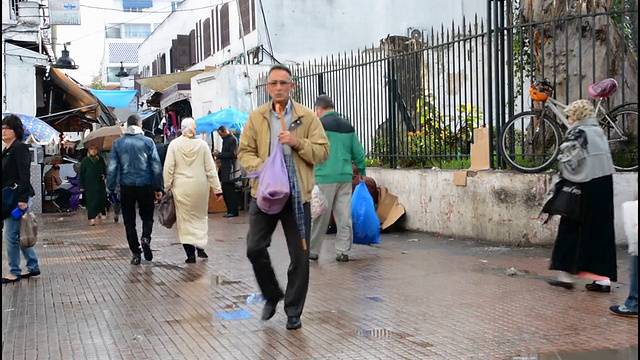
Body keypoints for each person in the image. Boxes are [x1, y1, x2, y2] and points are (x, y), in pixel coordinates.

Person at [238, 64, 329, 330]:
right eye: (274, 83)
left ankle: (293, 311)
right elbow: (245, 152)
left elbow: (323, 151)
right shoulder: (256, 117)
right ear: (267, 87)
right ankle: (272, 294)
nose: (278, 87)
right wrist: (262, 169)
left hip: (297, 196)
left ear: (292, 86)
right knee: (254, 248)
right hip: (266, 194)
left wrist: (297, 142)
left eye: (283, 83)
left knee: (300, 256)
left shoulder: (307, 117)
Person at [547, 99, 617, 290]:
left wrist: (559, 182)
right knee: (600, 232)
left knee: (570, 229)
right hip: (603, 183)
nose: (568, 120)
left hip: (582, 185)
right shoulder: (598, 131)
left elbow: (570, 161)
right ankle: (603, 280)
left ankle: (566, 277)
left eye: (569, 116)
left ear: (576, 116)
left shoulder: (578, 132)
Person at [309, 95, 366, 262]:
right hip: (345, 177)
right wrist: (362, 171)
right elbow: (358, 152)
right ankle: (342, 252)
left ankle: (313, 251)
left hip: (324, 176)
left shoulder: (318, 125)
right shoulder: (348, 126)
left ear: (319, 109)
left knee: (320, 214)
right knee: (343, 215)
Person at [164, 118, 223, 263]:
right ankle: (200, 246)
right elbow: (210, 169)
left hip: (181, 188)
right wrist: (217, 189)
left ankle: (190, 254)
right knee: (200, 217)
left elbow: (168, 168)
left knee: (185, 220)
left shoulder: (174, 145)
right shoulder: (202, 145)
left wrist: (167, 186)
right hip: (200, 187)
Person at [107, 114, 163, 265]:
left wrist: (110, 188)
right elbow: (156, 166)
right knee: (147, 217)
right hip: (145, 185)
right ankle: (146, 238)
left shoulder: (118, 143)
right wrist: (158, 187)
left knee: (129, 222)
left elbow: (112, 167)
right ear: (140, 124)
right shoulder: (148, 142)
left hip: (126, 186)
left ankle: (136, 253)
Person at [2, 114, 40, 284]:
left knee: (10, 235)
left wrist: (23, 199)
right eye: (2, 128)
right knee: (18, 233)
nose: (3, 131)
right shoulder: (7, 151)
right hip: (10, 198)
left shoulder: (19, 149)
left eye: (7, 128)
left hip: (18, 198)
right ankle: (33, 266)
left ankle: (14, 271)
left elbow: (25, 174)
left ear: (15, 131)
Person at [215, 125, 240, 218]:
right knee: (226, 191)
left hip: (230, 170)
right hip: (225, 169)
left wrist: (220, 154)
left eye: (221, 134)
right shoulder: (226, 140)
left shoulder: (232, 140)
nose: (221, 137)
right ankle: (230, 210)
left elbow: (233, 154)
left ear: (225, 131)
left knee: (230, 191)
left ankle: (233, 211)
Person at [79, 145, 107, 226]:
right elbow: (81, 174)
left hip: (99, 184)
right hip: (89, 185)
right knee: (91, 202)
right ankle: (92, 219)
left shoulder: (100, 160)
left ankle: (101, 213)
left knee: (100, 199)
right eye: (91, 149)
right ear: (88, 150)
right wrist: (81, 186)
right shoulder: (85, 161)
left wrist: (104, 175)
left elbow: (104, 170)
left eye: (95, 149)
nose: (93, 151)